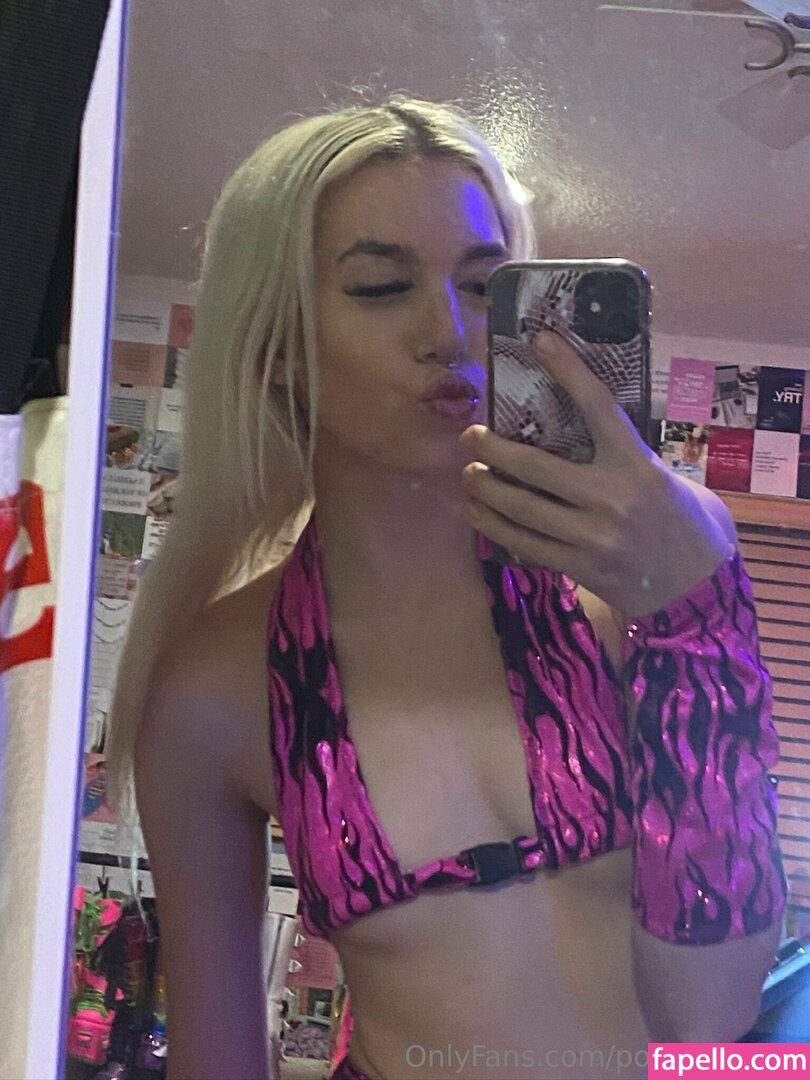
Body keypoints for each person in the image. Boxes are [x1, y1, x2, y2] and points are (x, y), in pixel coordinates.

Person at [106, 95, 787, 1080]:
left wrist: (696, 623)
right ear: (279, 347)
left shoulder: (632, 582)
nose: (449, 331)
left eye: (482, 287)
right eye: (381, 286)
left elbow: (709, 1018)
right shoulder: (213, 692)